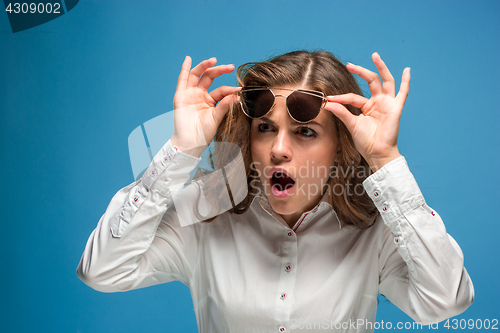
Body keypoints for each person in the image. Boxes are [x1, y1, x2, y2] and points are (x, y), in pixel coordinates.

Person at [77, 50, 474, 332]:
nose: (278, 149)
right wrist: (182, 149)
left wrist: (385, 159)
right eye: (265, 127)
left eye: (305, 132)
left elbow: (444, 302)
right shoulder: (208, 211)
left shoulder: (376, 230)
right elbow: (102, 271)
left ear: (341, 145)